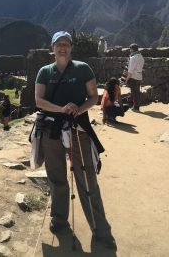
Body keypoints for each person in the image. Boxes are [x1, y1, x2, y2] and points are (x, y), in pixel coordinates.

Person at [33, 31, 115, 249]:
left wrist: (78, 108)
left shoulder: (82, 68)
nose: (62, 47)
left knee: (87, 178)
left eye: (66, 44)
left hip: (78, 127)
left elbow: (93, 97)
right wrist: (61, 109)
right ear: (52, 48)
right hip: (52, 130)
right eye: (58, 44)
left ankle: (101, 229)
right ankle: (59, 220)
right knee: (57, 177)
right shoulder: (44, 72)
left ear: (71, 48)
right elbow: (39, 100)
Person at [125, 43, 144, 112]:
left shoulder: (133, 58)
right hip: (139, 76)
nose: (130, 50)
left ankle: (135, 107)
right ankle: (137, 106)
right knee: (137, 92)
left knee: (134, 92)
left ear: (132, 49)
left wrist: (126, 80)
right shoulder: (141, 56)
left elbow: (130, 71)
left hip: (133, 77)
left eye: (130, 49)